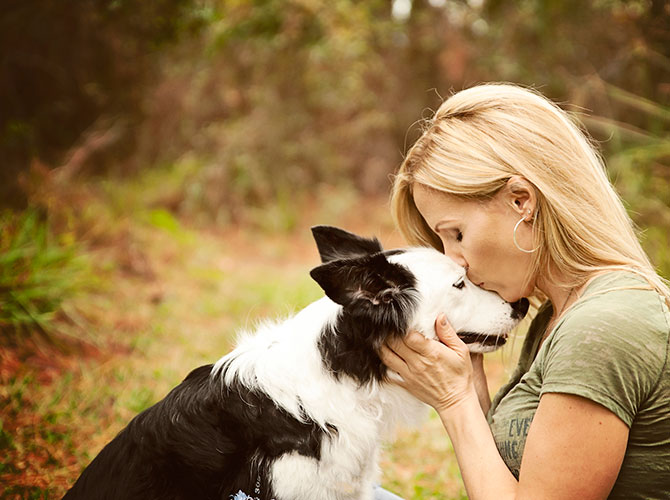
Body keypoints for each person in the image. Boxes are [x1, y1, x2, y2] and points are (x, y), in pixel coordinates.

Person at [376, 83, 670, 500]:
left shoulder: (603, 327)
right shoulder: (562, 314)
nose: (453, 260)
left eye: (456, 233)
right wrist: (469, 374)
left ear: (521, 201)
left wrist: (453, 399)